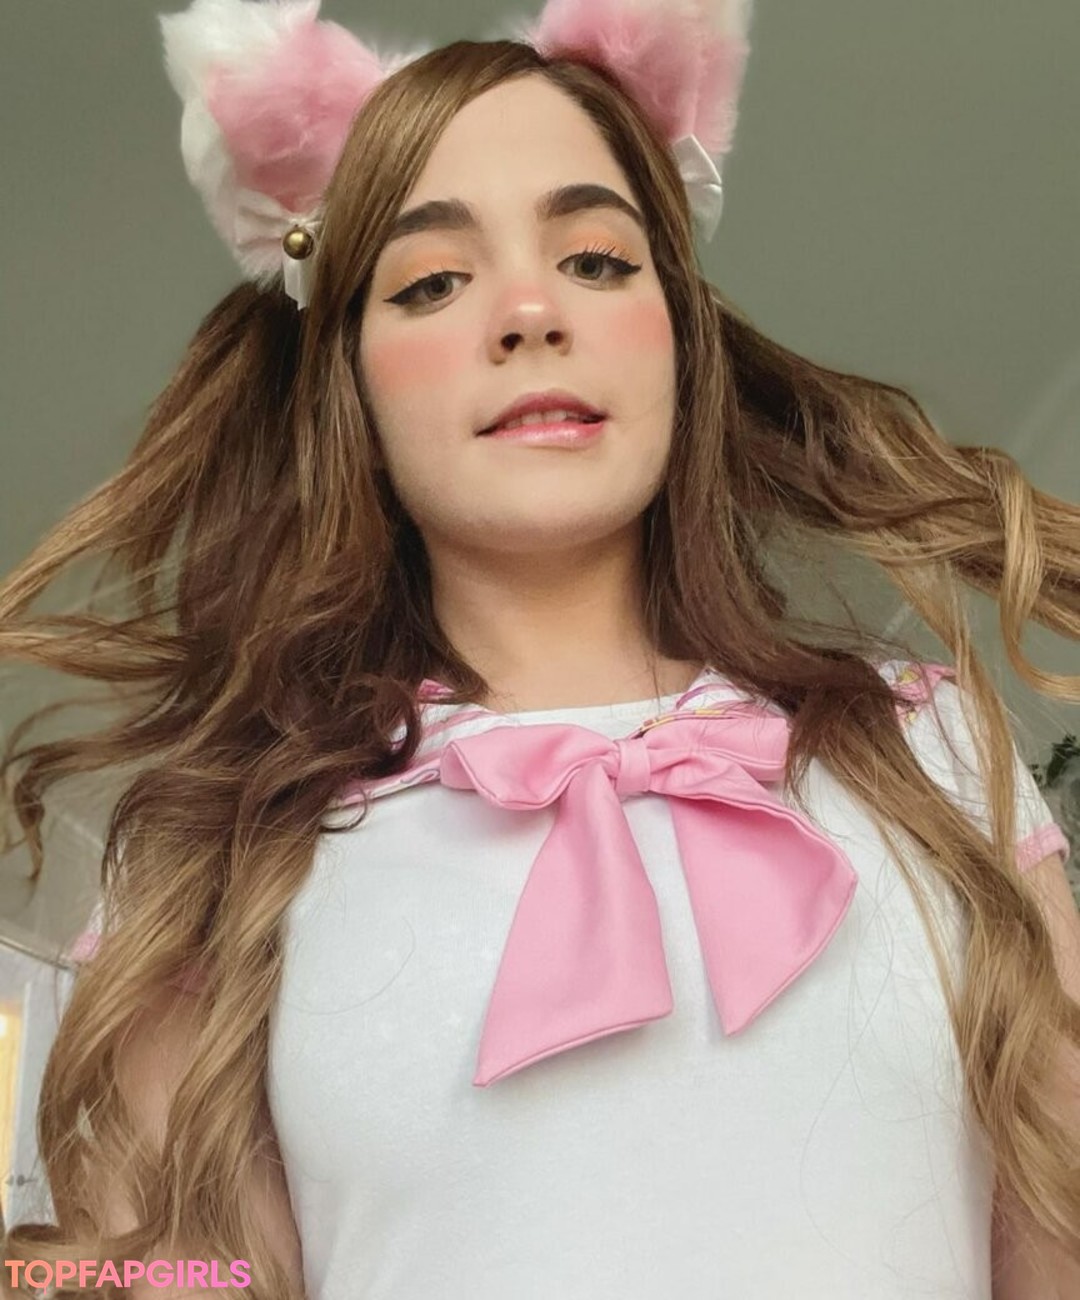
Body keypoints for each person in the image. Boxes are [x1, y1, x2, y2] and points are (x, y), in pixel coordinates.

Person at [1, 1, 1078, 1297]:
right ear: (351, 388)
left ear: (678, 333)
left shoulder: (934, 758)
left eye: (597, 261)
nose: (528, 311)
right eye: (432, 282)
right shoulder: (219, 858)